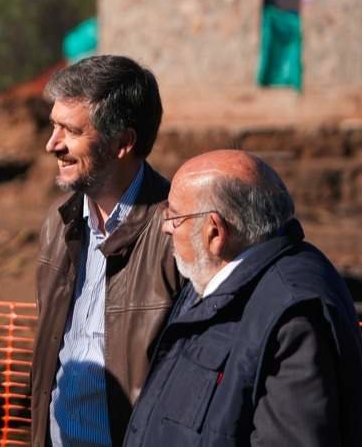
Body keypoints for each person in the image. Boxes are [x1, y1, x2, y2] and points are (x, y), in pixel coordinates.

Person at [123, 150, 362, 446]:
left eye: (174, 218)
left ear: (214, 232)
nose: (165, 228)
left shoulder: (294, 317)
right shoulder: (209, 278)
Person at [31, 55, 184, 447]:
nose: (52, 144)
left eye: (70, 131)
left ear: (123, 143)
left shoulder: (177, 233)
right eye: (53, 126)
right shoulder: (59, 223)